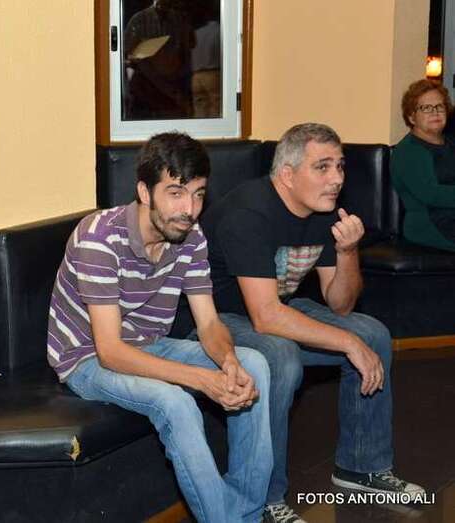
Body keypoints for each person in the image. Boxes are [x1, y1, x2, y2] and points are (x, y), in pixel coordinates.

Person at [199, 123, 425, 523]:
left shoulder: (324, 209)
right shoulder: (248, 214)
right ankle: (263, 499)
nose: (336, 178)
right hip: (214, 320)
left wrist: (348, 251)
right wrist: (348, 344)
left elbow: (340, 305)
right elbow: (265, 317)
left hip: (277, 307)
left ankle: (361, 468)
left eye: (340, 166)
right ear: (287, 175)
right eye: (322, 167)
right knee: (279, 356)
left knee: (372, 333)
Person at [47, 132, 272, 523]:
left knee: (255, 365)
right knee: (175, 402)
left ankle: (248, 513)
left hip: (150, 344)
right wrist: (204, 380)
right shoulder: (99, 238)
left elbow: (209, 322)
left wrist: (229, 362)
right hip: (86, 358)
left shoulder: (191, 237)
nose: (190, 209)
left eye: (198, 194)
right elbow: (110, 352)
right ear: (144, 192)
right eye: (176, 193)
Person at [391, 79, 455, 251]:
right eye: (426, 108)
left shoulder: (451, 143)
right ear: (411, 117)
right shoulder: (408, 151)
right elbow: (431, 194)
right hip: (432, 224)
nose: (435, 112)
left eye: (440, 106)